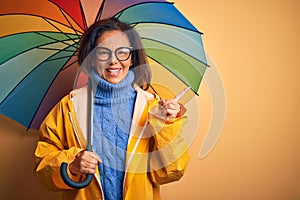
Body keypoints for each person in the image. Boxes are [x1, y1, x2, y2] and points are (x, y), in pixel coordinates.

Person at [34, 18, 190, 200]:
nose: (114, 61)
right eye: (103, 52)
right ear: (91, 59)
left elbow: (170, 172)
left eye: (122, 52)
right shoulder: (69, 107)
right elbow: (42, 166)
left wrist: (167, 126)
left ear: (132, 58)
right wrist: (71, 165)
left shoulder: (153, 107)